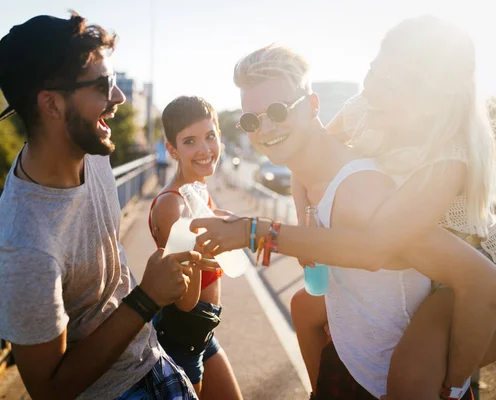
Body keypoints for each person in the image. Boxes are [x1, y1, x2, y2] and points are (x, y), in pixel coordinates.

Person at [190, 20, 496, 399]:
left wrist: (258, 231)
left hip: (454, 295)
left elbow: (377, 250)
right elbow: (306, 168)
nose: (265, 127)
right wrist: (305, 228)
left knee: (413, 379)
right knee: (305, 308)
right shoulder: (363, 115)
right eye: (253, 119)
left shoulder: (395, 182)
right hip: (356, 359)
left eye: (280, 111)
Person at [0, 13, 210, 400]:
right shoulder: (24, 246)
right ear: (52, 104)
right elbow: (49, 389)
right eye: (105, 84)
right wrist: (146, 299)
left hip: (152, 358)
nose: (119, 97)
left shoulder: (91, 150)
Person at [148, 96, 242, 399]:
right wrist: (200, 251)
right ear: (171, 149)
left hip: (203, 331)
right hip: (182, 336)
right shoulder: (172, 204)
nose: (204, 149)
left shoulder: (198, 189)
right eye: (190, 141)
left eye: (210, 136)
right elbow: (184, 302)